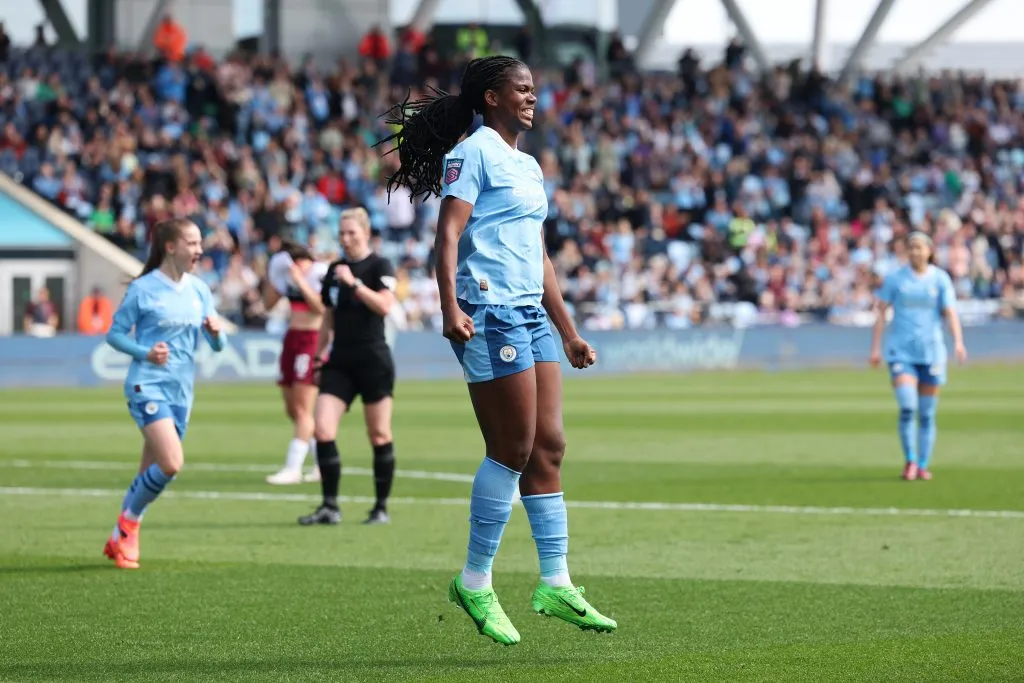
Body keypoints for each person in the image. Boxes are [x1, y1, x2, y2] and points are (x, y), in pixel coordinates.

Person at [374, 55, 617, 645]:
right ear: (491, 97)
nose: (532, 98)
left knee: (550, 445)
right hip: (488, 312)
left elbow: (539, 255)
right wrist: (448, 306)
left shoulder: (529, 166)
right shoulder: (472, 154)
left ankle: (555, 581)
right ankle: (475, 581)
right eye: (522, 89)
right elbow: (448, 234)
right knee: (511, 448)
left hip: (531, 313)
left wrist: (568, 331)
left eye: (533, 89)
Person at [103, 218, 226, 569]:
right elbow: (115, 334)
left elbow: (218, 346)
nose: (199, 249)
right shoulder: (143, 289)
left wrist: (216, 333)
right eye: (192, 243)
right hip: (147, 385)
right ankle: (129, 527)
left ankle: (118, 538)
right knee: (171, 463)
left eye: (200, 242)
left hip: (181, 391)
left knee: (149, 473)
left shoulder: (199, 290)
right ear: (171, 247)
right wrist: (146, 352)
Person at [297, 208, 398, 527]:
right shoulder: (334, 270)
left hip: (373, 359)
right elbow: (328, 317)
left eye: (352, 232)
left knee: (379, 434)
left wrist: (354, 284)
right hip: (340, 360)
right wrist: (318, 357)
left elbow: (385, 306)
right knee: (323, 429)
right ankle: (329, 506)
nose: (346, 239)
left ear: (366, 233)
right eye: (341, 233)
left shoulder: (380, 265)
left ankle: (380, 507)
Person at [870, 231, 967, 481]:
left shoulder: (940, 279)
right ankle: (910, 460)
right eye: (911, 247)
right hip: (901, 351)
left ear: (929, 251)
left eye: (919, 247)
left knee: (926, 413)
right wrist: (875, 348)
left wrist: (958, 342)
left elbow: (950, 312)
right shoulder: (895, 279)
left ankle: (923, 464)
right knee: (907, 406)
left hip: (931, 352)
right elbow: (881, 313)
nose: (915, 251)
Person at [264, 243, 329, 485]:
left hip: (311, 339)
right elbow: (268, 304)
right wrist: (275, 277)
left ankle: (293, 468)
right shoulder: (287, 276)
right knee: (293, 410)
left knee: (303, 409)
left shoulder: (318, 274)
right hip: (292, 337)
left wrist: (300, 281)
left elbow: (320, 308)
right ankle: (323, 462)